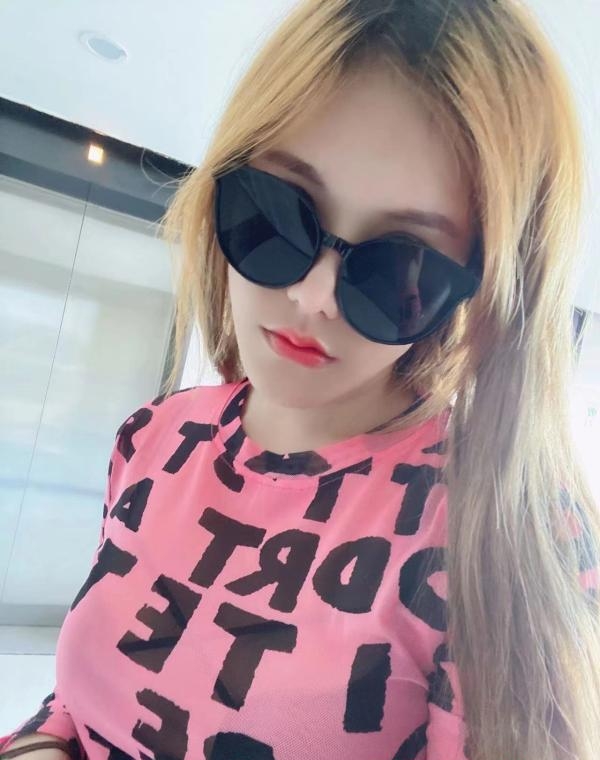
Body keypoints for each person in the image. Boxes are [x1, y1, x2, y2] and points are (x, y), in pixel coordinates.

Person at [2, 1, 600, 759]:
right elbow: (87, 698)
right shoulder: (156, 436)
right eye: (280, 215)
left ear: (475, 295)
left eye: (400, 265)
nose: (314, 296)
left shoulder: (501, 529)